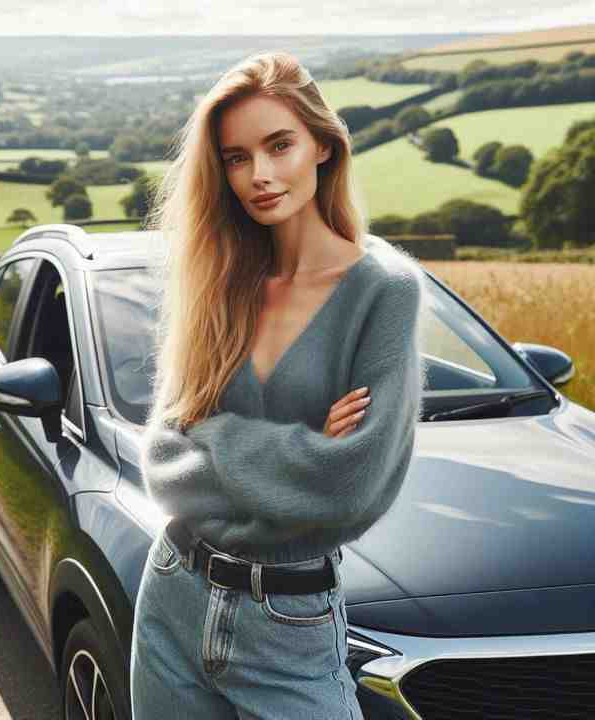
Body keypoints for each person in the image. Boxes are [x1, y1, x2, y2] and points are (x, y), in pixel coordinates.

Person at [132, 50, 427, 720]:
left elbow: (349, 483)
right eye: (236, 157)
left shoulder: (385, 289)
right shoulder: (219, 280)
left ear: (323, 145)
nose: (259, 175)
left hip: (290, 622)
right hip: (174, 591)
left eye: (279, 145)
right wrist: (301, 448)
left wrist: (219, 442)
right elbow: (161, 462)